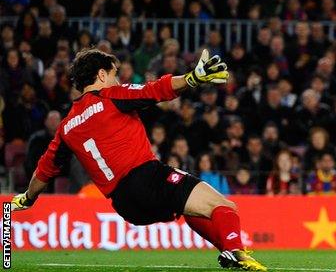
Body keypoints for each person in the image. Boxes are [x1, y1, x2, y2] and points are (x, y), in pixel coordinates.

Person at [10, 48, 266, 271]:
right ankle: (236, 250)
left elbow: (43, 172)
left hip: (125, 205)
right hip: (147, 177)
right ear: (101, 75)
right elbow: (155, 90)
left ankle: (229, 253)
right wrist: (192, 78)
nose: (116, 79)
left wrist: (28, 198)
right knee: (225, 208)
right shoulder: (111, 96)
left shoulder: (66, 128)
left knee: (191, 208)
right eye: (113, 74)